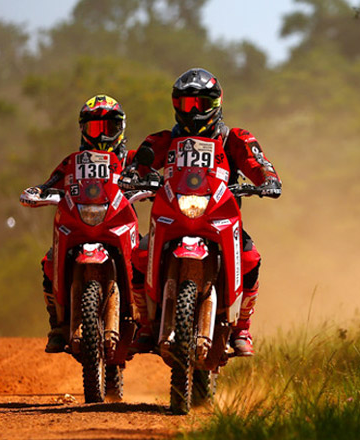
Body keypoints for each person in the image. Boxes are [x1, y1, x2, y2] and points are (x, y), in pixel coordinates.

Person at [126, 68, 282, 357]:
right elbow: (138, 162)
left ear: (217, 103)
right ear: (176, 105)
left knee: (250, 258)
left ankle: (241, 328)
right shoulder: (163, 139)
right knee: (140, 255)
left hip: (220, 216)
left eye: (202, 104)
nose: (195, 112)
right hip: (173, 214)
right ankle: (145, 324)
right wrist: (134, 174)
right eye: (188, 104)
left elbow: (257, 162)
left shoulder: (233, 138)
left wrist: (268, 180)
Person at [22, 95, 134, 353]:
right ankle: (57, 324)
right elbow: (52, 182)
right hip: (80, 224)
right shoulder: (72, 162)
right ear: (83, 130)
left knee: (143, 257)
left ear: (120, 128)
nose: (102, 135)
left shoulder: (130, 160)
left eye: (109, 127)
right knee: (49, 262)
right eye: (96, 128)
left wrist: (152, 183)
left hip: (118, 224)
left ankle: (147, 321)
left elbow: (149, 174)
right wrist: (39, 191)